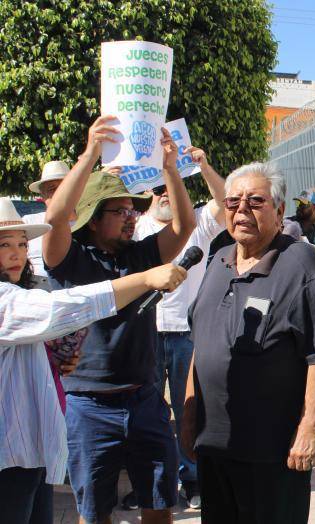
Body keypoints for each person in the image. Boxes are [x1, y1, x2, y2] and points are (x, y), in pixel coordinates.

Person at [42, 115, 196, 524]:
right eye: (120, 211)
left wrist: (171, 170)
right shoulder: (70, 260)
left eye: (133, 209)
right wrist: (90, 154)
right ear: (93, 218)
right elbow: (56, 219)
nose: (132, 217)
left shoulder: (138, 253)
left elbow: (186, 225)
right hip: (88, 406)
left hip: (145, 399)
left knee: (159, 504)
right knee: (93, 513)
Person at [0, 196, 188, 524]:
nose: (16, 252)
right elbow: (62, 308)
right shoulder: (9, 300)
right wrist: (144, 279)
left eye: (20, 243)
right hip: (11, 457)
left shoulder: (23, 291)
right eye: (4, 245)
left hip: (32, 452)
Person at [180, 162, 315, 524]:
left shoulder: (301, 263)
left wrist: (309, 429)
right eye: (233, 202)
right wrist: (189, 418)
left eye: (255, 201)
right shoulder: (218, 262)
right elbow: (200, 346)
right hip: (215, 446)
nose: (241, 211)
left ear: (280, 211)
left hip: (273, 451)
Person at [130, 145, 226, 510]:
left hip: (189, 333)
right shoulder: (136, 228)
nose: (165, 194)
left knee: (190, 408)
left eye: (171, 186)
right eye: (158, 189)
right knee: (148, 410)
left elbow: (225, 200)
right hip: (146, 332)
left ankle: (193, 478)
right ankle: (154, 481)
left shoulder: (199, 221)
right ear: (148, 194)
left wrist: (202, 165)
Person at [23, 160, 72, 278]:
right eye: (52, 189)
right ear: (43, 195)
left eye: (64, 187)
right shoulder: (28, 223)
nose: (59, 193)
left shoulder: (90, 223)